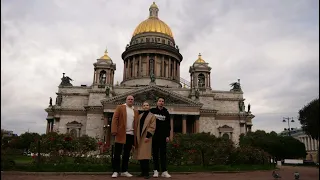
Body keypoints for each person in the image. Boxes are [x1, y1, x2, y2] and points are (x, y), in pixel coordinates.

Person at [111, 95, 140, 178]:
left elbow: (136, 123)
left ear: (133, 101)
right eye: (129, 99)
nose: (130, 100)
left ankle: (124, 170)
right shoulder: (120, 107)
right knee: (117, 153)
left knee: (126, 154)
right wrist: (114, 130)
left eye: (132, 99)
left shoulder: (135, 111)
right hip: (121, 133)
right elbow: (115, 119)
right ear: (126, 100)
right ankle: (115, 171)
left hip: (131, 134)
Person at [134, 101, 156, 179]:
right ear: (142, 107)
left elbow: (152, 127)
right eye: (144, 105)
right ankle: (143, 172)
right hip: (139, 137)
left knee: (145, 156)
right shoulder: (140, 115)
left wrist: (148, 136)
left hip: (146, 137)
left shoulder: (152, 116)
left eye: (147, 105)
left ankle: (146, 173)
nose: (145, 106)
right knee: (141, 156)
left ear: (149, 106)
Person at [150, 97, 171, 178]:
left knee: (163, 154)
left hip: (163, 136)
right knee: (155, 154)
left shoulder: (166, 113)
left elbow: (168, 125)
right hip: (154, 136)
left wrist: (167, 135)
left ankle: (164, 171)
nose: (161, 102)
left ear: (164, 103)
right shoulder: (152, 111)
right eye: (160, 101)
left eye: (162, 101)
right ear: (157, 102)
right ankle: (156, 170)